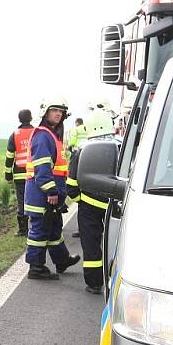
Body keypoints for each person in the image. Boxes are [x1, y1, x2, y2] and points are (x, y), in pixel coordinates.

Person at [24, 98, 81, 280]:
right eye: (54, 110)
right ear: (45, 112)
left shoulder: (51, 135)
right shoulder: (43, 136)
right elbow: (42, 169)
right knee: (39, 231)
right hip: (42, 194)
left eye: (61, 111)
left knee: (54, 228)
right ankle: (36, 268)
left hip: (50, 193)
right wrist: (51, 191)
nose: (58, 114)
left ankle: (62, 260)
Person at [66, 112, 118, 294]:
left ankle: (94, 283)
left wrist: (79, 199)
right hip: (115, 205)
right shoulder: (120, 145)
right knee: (117, 242)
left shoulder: (81, 149)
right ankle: (116, 280)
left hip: (88, 205)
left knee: (91, 245)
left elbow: (72, 183)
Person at [5, 109, 35, 236]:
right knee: (37, 200)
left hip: (19, 175)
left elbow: (9, 156)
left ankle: (23, 230)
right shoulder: (37, 132)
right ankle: (38, 226)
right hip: (35, 173)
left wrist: (8, 174)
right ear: (31, 118)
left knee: (21, 200)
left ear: (19, 119)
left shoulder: (15, 134)